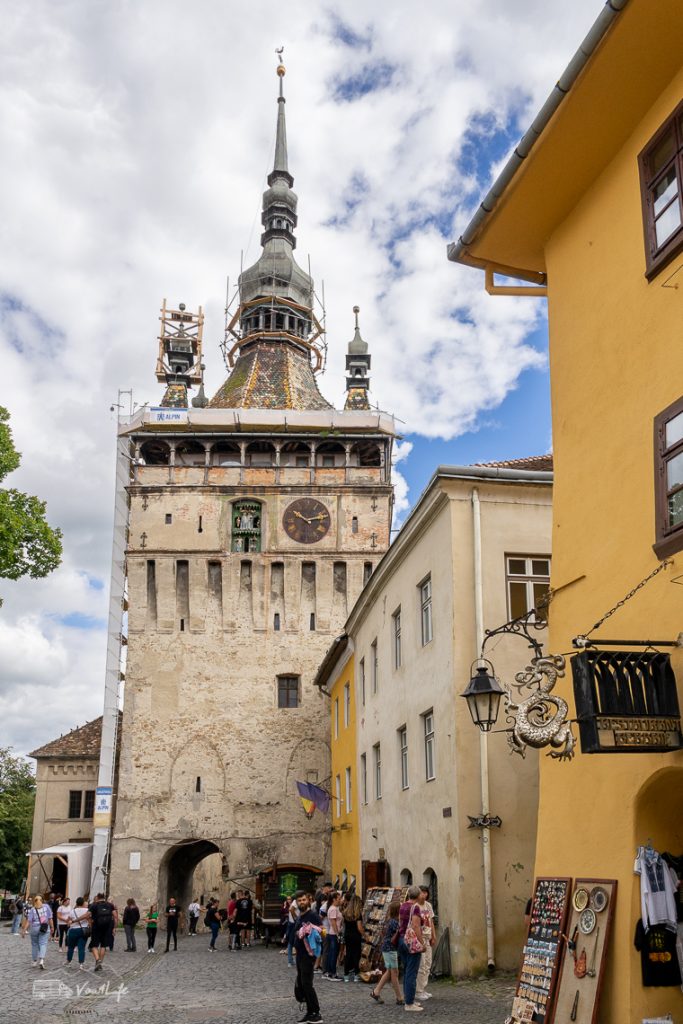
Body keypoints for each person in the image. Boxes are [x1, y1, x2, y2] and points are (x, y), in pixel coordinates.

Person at [294, 892, 323, 1024]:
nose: (302, 902)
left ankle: (316, 1013)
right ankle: (309, 1012)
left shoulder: (312, 916)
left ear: (308, 900)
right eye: (299, 900)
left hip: (308, 955)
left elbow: (321, 933)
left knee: (307, 984)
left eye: (304, 900)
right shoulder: (301, 916)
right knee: (302, 984)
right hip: (300, 955)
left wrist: (316, 957)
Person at [371, 900, 404, 1006]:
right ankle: (399, 997)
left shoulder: (390, 921)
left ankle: (376, 992)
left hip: (387, 948)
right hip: (390, 949)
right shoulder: (395, 922)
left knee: (390, 972)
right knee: (394, 973)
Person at [398, 886, 426, 1012]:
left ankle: (408, 998)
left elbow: (401, 923)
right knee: (411, 972)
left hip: (401, 939)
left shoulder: (403, 905)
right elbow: (415, 926)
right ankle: (409, 1003)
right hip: (410, 941)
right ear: (418, 895)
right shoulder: (415, 908)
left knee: (406, 970)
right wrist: (422, 943)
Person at [415, 886, 436, 1001]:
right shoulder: (416, 906)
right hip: (420, 937)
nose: (424, 895)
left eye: (426, 892)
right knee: (421, 965)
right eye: (422, 892)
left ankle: (423, 988)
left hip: (428, 936)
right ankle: (418, 991)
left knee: (428, 963)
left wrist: (434, 935)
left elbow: (431, 921)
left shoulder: (428, 906)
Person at [21, 894, 53, 969]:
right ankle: (41, 960)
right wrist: (52, 927)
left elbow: (29, 921)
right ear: (42, 900)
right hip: (44, 927)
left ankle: (34, 961)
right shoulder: (46, 907)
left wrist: (24, 930)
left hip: (34, 928)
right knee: (43, 943)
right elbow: (50, 918)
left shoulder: (32, 909)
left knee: (34, 944)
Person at [88, 893, 118, 971]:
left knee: (94, 945)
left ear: (97, 897)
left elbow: (88, 915)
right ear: (104, 898)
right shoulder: (110, 905)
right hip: (107, 928)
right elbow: (115, 917)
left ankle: (97, 960)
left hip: (96, 927)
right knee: (103, 946)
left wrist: (90, 924)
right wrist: (114, 927)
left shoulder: (94, 905)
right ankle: (100, 963)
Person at [342, 893, 364, 982]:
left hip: (347, 935)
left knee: (348, 954)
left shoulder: (346, 912)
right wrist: (364, 934)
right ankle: (356, 975)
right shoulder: (358, 914)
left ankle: (346, 975)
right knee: (356, 954)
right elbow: (359, 927)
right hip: (356, 936)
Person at [65, 897, 91, 969]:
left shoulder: (72, 911)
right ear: (83, 903)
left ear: (76, 903)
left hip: (73, 930)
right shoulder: (87, 910)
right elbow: (89, 920)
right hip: (83, 930)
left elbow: (68, 921)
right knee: (81, 947)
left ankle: (69, 961)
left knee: (71, 947)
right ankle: (81, 964)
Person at [323, 891, 343, 980]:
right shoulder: (333, 909)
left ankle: (330, 972)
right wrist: (337, 934)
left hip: (333, 933)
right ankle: (332, 973)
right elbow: (333, 923)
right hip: (333, 934)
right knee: (333, 954)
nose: (340, 900)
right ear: (334, 899)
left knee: (333, 953)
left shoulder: (335, 908)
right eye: (339, 899)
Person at [287, 892, 301, 967]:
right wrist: (296, 918)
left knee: (291, 942)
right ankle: (290, 960)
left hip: (291, 923)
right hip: (293, 924)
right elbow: (291, 909)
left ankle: (291, 960)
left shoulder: (294, 902)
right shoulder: (295, 902)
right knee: (292, 942)